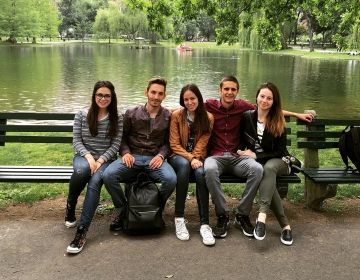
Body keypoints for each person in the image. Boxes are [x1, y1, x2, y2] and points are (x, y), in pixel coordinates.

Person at [204, 75, 314, 239]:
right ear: (220, 90)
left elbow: (270, 109)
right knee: (210, 168)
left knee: (258, 169)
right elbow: (189, 106)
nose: (229, 92)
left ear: (238, 92)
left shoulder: (244, 107)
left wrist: (296, 114)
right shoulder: (212, 105)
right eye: (226, 89)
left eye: (233, 89)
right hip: (218, 155)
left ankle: (243, 215)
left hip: (247, 157)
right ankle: (223, 215)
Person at [103, 77, 177, 230]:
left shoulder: (168, 116)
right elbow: (121, 138)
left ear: (165, 96)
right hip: (133, 157)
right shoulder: (131, 113)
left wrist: (161, 155)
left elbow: (169, 142)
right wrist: (125, 153)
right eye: (153, 92)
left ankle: (155, 209)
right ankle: (124, 211)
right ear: (146, 92)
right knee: (109, 175)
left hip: (154, 159)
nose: (156, 97)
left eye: (160, 94)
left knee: (170, 179)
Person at [66, 81, 123, 254]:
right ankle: (71, 204)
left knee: (95, 182)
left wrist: (100, 161)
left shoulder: (118, 117)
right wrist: (89, 157)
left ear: (112, 98)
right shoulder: (82, 114)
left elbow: (116, 145)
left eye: (107, 95)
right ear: (94, 95)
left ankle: (81, 232)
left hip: (106, 161)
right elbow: (76, 140)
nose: (103, 98)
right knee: (82, 170)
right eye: (100, 95)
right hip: (84, 157)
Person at [238, 82, 294, 245]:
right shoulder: (247, 116)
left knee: (268, 168)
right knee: (265, 173)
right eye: (262, 96)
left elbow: (280, 150)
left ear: (274, 101)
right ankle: (285, 226)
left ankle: (261, 218)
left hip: (280, 161)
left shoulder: (278, 120)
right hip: (261, 163)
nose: (265, 100)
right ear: (256, 97)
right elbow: (242, 141)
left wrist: (256, 155)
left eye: (269, 98)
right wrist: (243, 152)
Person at [168, 84, 215, 246]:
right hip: (178, 156)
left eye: (192, 98)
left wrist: (195, 157)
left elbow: (203, 142)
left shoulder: (208, 117)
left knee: (202, 174)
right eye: (186, 99)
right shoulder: (176, 116)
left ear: (199, 98)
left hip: (198, 157)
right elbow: (174, 144)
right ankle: (179, 218)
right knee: (184, 166)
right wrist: (190, 158)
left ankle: (204, 224)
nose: (189, 102)